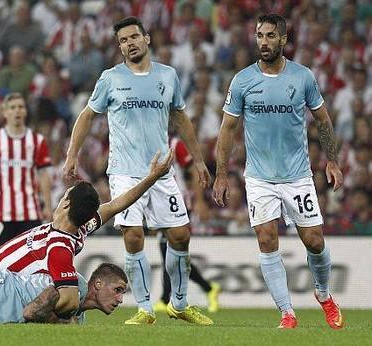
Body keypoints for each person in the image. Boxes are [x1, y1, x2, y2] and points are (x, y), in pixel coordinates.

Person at [63, 16, 212, 325]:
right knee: (133, 236)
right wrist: (71, 154)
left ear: (146, 39)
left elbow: (181, 118)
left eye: (133, 37)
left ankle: (179, 304)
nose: (128, 43)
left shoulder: (168, 76)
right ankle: (145, 309)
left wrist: (198, 160)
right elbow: (88, 115)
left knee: (180, 235)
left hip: (161, 172)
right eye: (122, 40)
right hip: (124, 172)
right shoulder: (111, 78)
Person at [213, 14, 344, 329]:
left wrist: (332, 160)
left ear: (284, 39)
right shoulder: (243, 80)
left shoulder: (303, 77)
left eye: (271, 36)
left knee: (313, 240)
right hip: (259, 178)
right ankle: (287, 313)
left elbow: (323, 120)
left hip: (297, 175)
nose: (264, 42)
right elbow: (227, 130)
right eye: (259, 35)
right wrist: (220, 174)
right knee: (266, 238)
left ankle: (324, 295)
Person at [0, 150, 175, 315]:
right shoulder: (81, 228)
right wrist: (151, 178)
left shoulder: (59, 245)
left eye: (64, 196)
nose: (60, 198)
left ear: (66, 204)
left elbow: (66, 295)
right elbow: (114, 205)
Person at [0, 92, 52, 249]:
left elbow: (44, 175)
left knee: (34, 259)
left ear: (25, 111)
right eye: (12, 108)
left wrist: (48, 205)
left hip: (31, 212)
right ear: (5, 113)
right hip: (2, 213)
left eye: (20, 107)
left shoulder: (37, 141)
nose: (17, 111)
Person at [154, 138, 221, 314]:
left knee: (170, 247)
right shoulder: (151, 141)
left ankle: (165, 297)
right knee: (168, 249)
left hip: (178, 201)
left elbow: (192, 168)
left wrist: (199, 200)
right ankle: (208, 288)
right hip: (161, 200)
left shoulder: (175, 144)